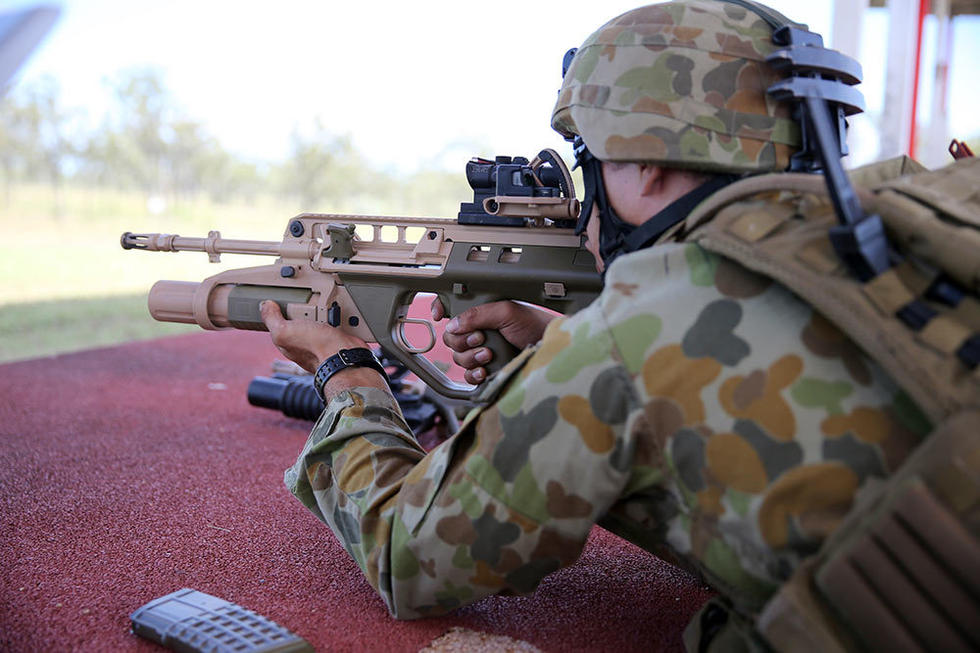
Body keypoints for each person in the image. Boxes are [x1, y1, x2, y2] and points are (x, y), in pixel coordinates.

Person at [259, 1, 940, 648]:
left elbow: (407, 554)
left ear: (643, 164)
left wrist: (343, 368)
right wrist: (561, 345)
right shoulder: (920, 224)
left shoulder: (633, 334)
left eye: (593, 160)